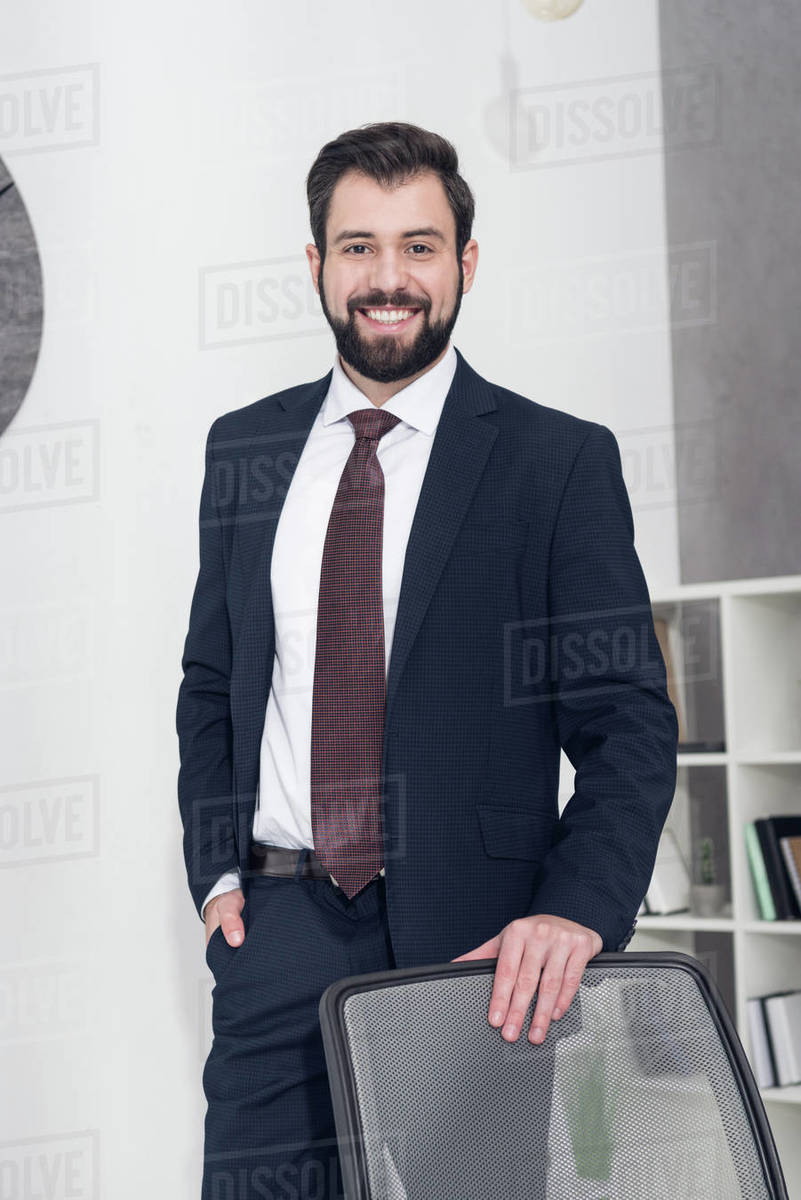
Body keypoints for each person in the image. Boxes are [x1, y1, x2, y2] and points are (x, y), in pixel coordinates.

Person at [176, 120, 678, 1200]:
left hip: (480, 949)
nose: (388, 278)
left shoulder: (554, 461)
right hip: (277, 931)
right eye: (358, 246)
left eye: (419, 246)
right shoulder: (244, 448)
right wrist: (216, 872)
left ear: (465, 263)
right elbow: (212, 682)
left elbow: (628, 722)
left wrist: (578, 908)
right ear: (317, 264)